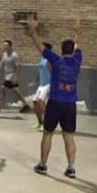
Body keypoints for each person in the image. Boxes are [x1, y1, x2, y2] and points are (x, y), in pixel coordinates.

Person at [26, 17, 82, 178]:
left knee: (48, 133)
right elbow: (79, 45)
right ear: (72, 50)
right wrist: (78, 30)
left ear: (61, 49)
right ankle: (71, 168)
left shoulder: (56, 60)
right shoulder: (77, 60)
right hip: (70, 104)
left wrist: (33, 30)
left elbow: (39, 46)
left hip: (56, 103)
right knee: (69, 136)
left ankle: (43, 165)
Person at [0, 39, 31, 114]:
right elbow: (2, 63)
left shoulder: (14, 55)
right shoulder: (4, 54)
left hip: (11, 76)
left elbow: (18, 66)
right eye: (4, 45)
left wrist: (16, 77)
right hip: (7, 75)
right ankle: (26, 105)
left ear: (10, 46)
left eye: (7, 45)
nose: (5, 47)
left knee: (4, 88)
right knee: (16, 90)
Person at [30, 43, 53, 132]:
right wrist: (34, 81)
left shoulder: (49, 60)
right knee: (35, 102)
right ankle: (40, 122)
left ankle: (48, 124)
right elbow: (39, 71)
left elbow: (54, 73)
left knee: (41, 102)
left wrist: (54, 86)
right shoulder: (42, 59)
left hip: (48, 85)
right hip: (41, 85)